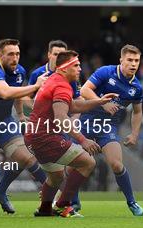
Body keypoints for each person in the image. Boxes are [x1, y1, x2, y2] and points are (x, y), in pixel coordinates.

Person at [24, 50, 116, 217]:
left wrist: (98, 102)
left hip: (33, 137)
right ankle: (62, 205)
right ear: (64, 68)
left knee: (56, 177)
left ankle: (44, 210)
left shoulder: (54, 80)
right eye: (76, 65)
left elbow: (72, 106)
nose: (80, 68)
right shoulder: (61, 85)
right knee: (88, 163)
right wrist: (83, 140)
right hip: (46, 138)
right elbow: (61, 118)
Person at [0, 39, 46, 215]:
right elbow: (5, 92)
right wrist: (35, 86)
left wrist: (19, 114)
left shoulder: (19, 71)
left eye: (17, 54)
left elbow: (18, 93)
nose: (15, 58)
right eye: (10, 54)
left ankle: (54, 194)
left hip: (5, 121)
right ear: (0, 55)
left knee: (26, 158)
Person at [77, 44, 143, 216]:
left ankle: (132, 202)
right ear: (121, 60)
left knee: (116, 164)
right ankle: (73, 201)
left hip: (108, 127)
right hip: (86, 123)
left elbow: (137, 111)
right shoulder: (106, 72)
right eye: (129, 60)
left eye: (136, 60)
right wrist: (104, 103)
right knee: (75, 164)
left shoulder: (136, 87)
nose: (133, 64)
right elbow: (84, 90)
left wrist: (134, 134)